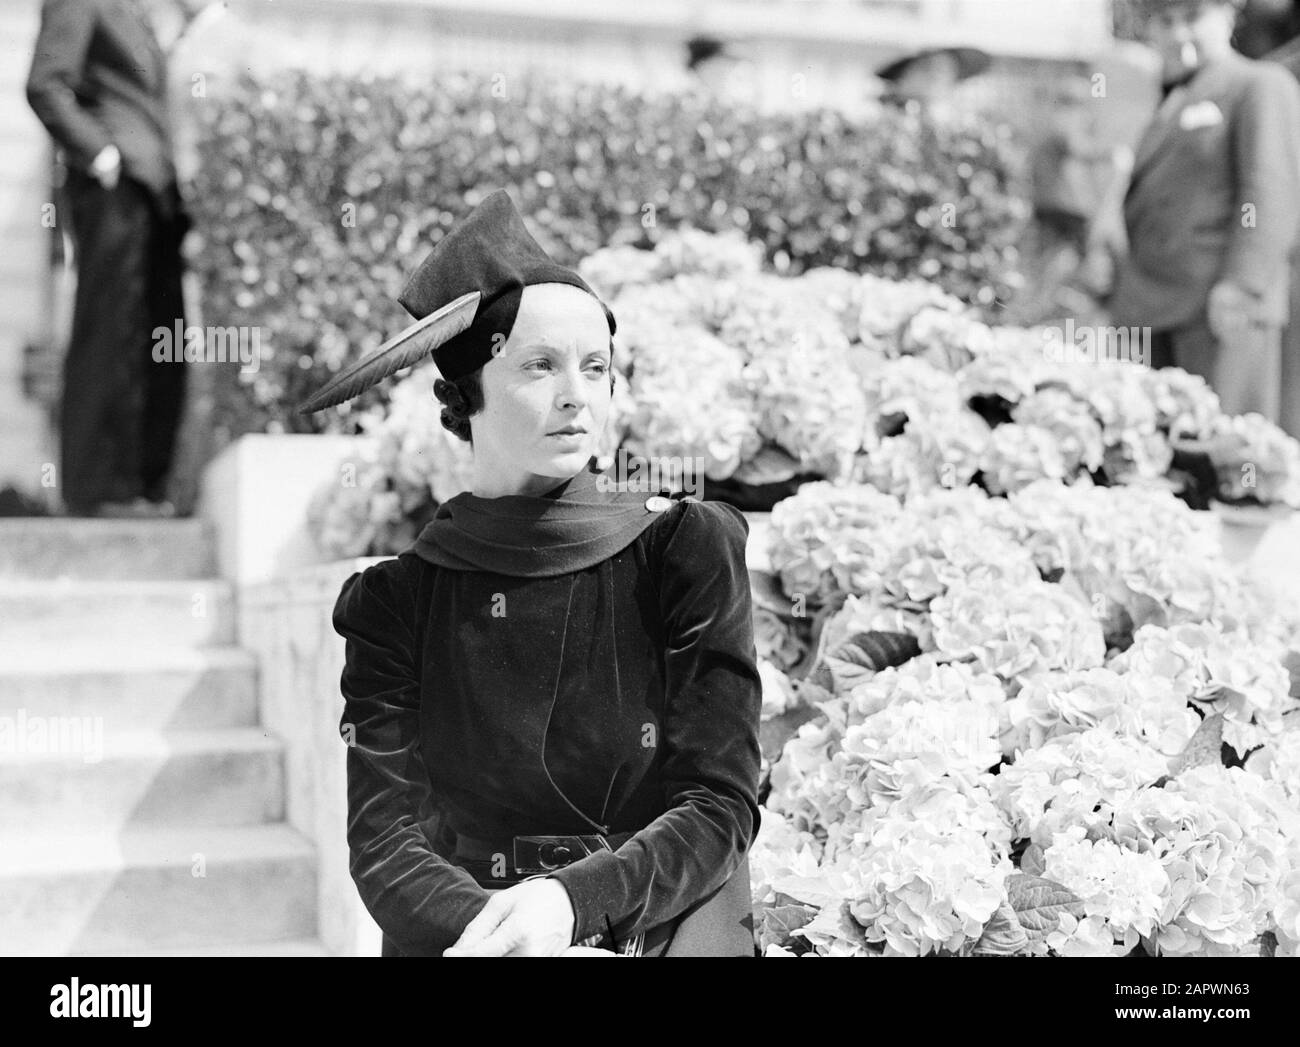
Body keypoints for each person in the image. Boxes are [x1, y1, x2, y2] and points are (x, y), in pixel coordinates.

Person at [299, 191, 763, 957]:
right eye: (539, 365)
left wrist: (575, 905)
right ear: (464, 394)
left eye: (595, 367)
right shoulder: (395, 601)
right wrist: (516, 940)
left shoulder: (683, 549)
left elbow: (718, 802)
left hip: (664, 922)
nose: (576, 394)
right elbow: (386, 841)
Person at [27, 0, 190, 517]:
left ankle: (142, 486)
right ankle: (99, 491)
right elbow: (46, 84)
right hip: (116, 187)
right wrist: (101, 154)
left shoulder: (136, 15)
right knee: (111, 331)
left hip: (155, 195)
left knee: (160, 341)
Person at [1108, 0, 1300, 421]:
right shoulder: (1170, 101)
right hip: (1156, 305)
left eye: (1193, 18)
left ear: (1228, 19)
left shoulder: (1259, 84)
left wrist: (1242, 284)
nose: (1179, 34)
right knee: (1167, 452)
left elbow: (1270, 188)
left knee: (1227, 451)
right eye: (1166, 22)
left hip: (1218, 307)